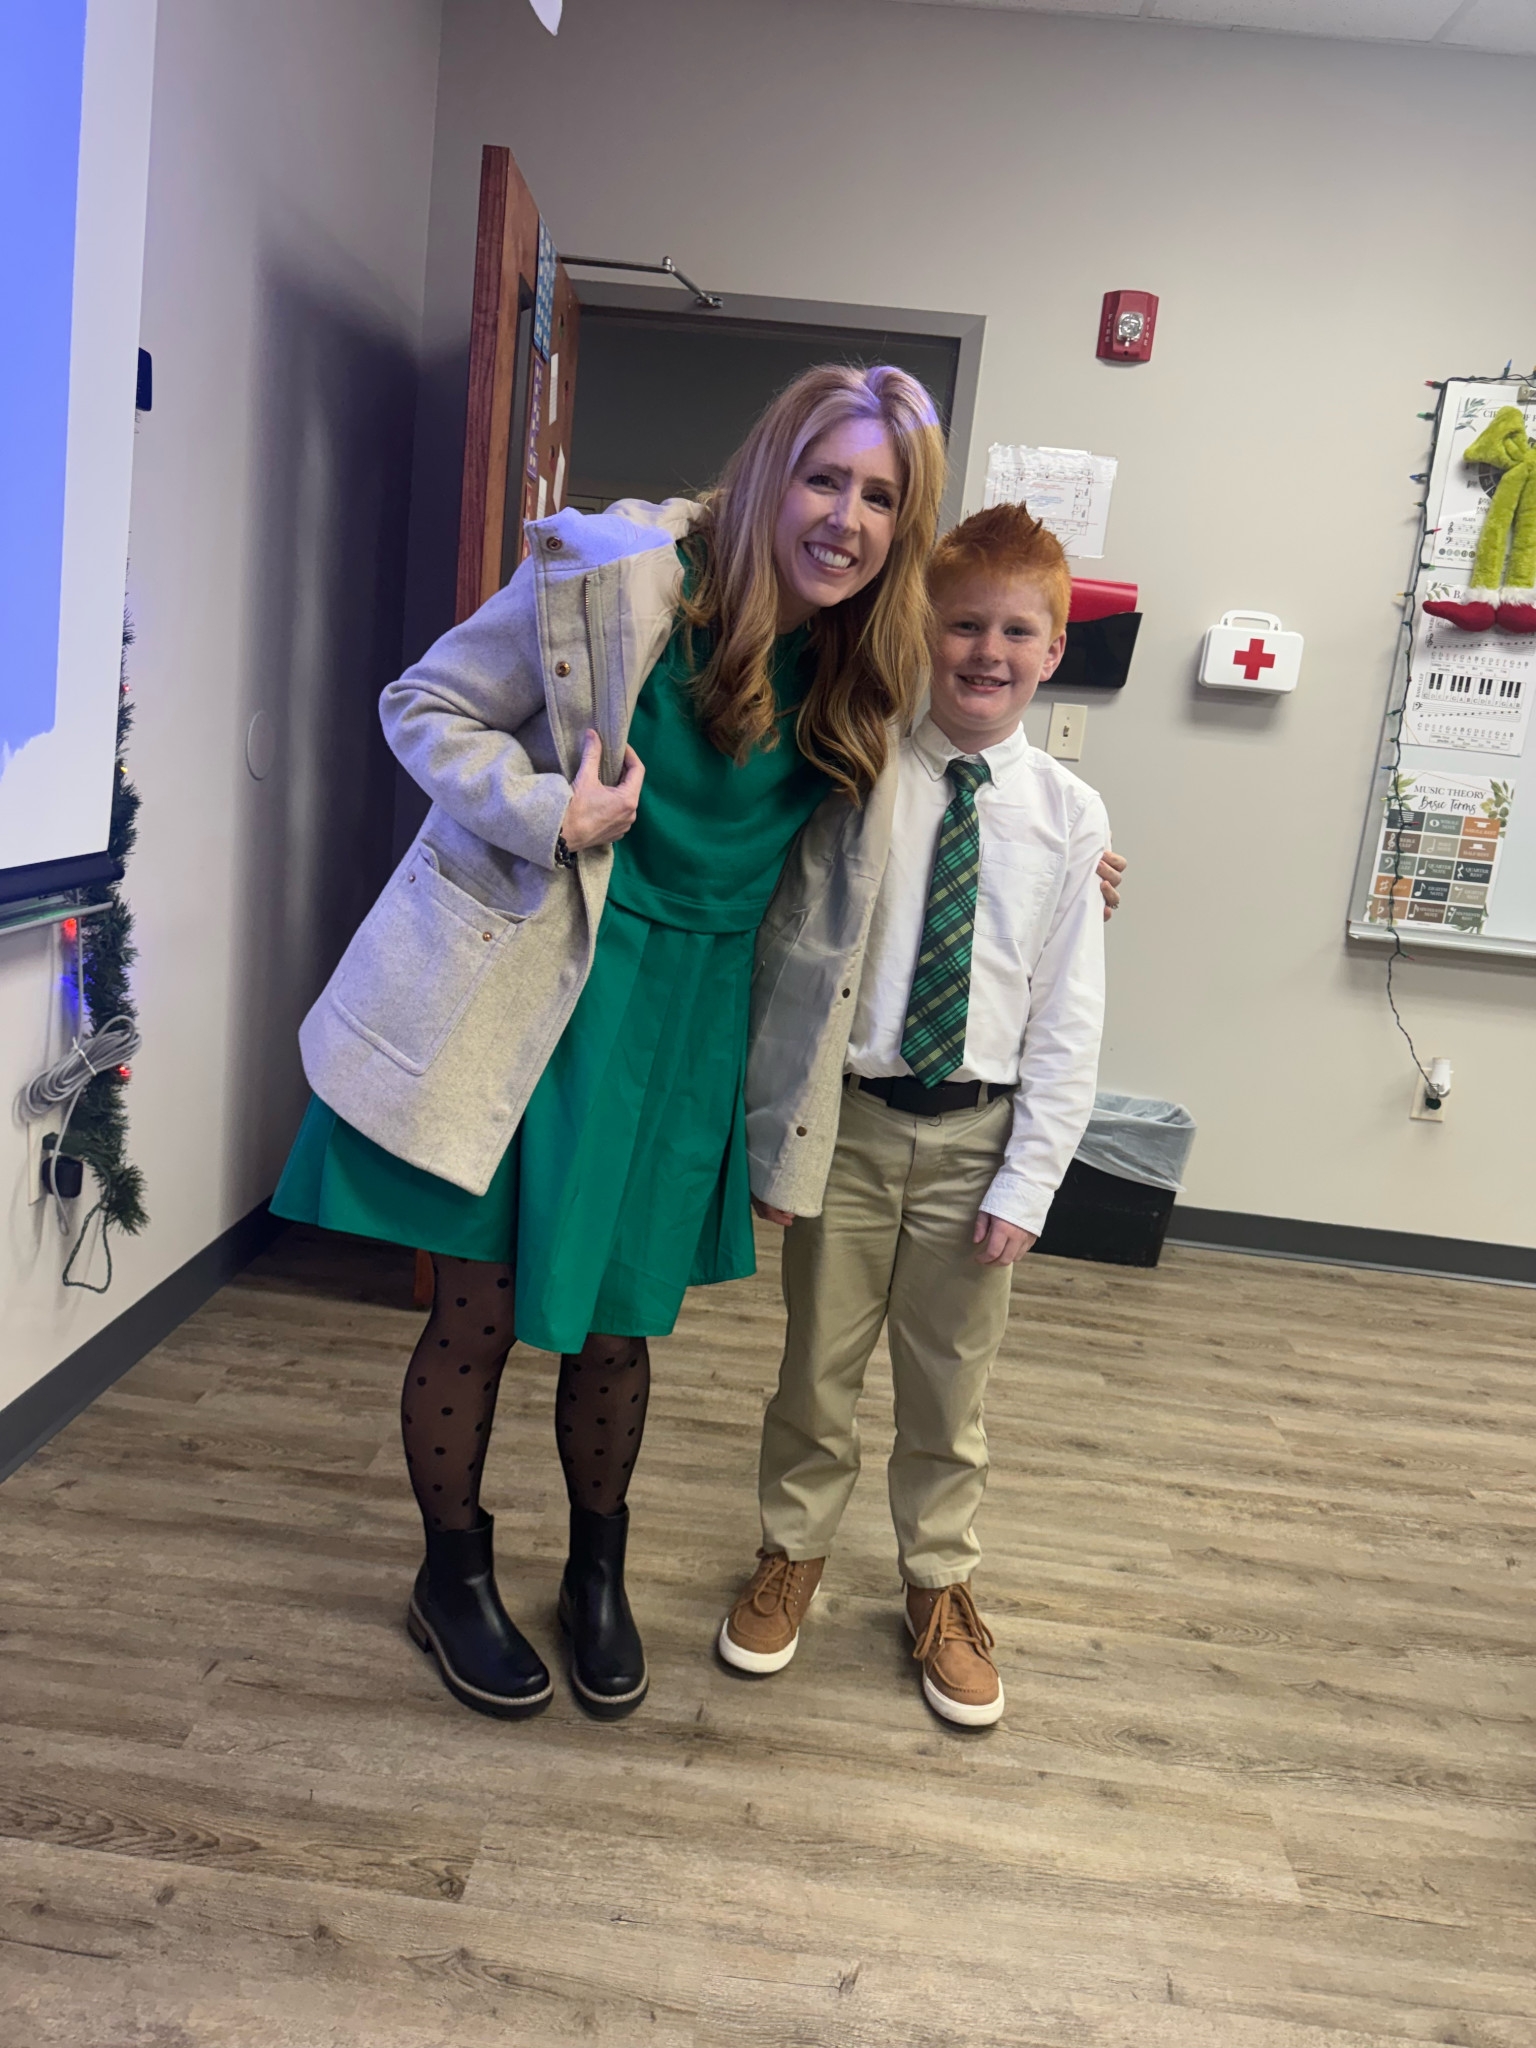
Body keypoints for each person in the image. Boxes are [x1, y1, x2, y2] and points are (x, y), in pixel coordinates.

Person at [271, 364, 950, 1722]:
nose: (846, 518)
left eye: (881, 497)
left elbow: (891, 853)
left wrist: (1078, 864)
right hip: (540, 991)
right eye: (824, 478)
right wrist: (548, 812)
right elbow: (423, 704)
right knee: (478, 1312)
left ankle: (596, 1573)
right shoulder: (619, 580)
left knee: (621, 1329)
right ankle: (452, 1575)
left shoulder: (863, 673)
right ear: (768, 474)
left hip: (691, 1025)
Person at [719, 501, 1109, 1728]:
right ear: (922, 631)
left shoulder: (1070, 818)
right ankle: (792, 1551)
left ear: (1054, 650)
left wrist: (1030, 1178)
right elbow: (794, 945)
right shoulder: (860, 767)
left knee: (951, 1387)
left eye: (1017, 631)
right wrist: (776, 1134)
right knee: (815, 1369)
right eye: (963, 625)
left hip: (978, 1142)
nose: (987, 651)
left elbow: (1069, 1015)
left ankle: (938, 1580)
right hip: (849, 1126)